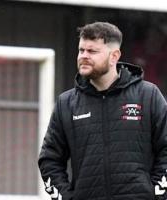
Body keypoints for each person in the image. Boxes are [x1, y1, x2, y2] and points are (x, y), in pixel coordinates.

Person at [38, 22, 167, 200]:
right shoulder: (66, 103)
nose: (83, 56)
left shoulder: (148, 95)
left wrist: (157, 194)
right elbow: (49, 160)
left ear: (114, 56)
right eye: (81, 50)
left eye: (92, 51)